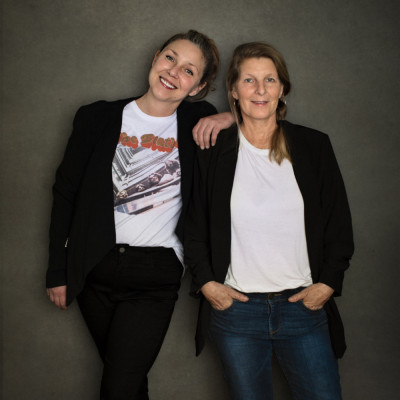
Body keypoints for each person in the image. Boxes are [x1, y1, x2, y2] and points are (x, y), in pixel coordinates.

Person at [46, 30, 232, 400]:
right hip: (93, 265)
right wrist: (57, 270)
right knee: (128, 383)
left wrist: (229, 117)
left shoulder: (198, 121)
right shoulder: (96, 117)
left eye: (189, 70)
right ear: (155, 57)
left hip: (155, 273)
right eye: (170, 58)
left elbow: (261, 118)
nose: (173, 72)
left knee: (118, 387)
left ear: (198, 87)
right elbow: (65, 193)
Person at [184, 42, 354, 400]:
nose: (260, 89)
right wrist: (208, 284)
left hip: (303, 308)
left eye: (270, 80)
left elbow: (338, 225)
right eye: (249, 80)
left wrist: (328, 283)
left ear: (282, 89)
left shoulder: (313, 146)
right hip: (236, 313)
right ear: (234, 90)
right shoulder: (214, 151)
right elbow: (194, 226)